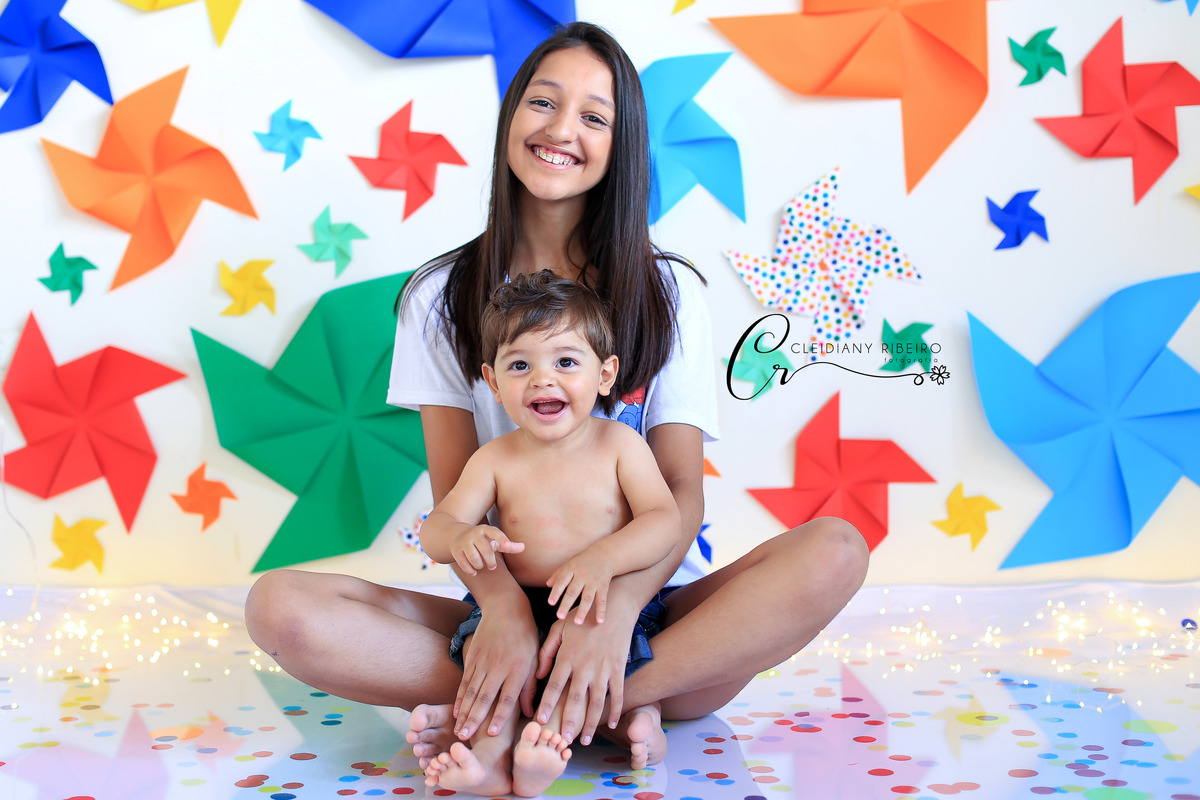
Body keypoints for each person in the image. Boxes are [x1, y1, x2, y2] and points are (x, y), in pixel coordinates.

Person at [244, 18, 868, 781]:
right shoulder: (439, 296)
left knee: (835, 550)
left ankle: (545, 703)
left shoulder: (670, 292)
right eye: (543, 103)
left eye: (594, 116)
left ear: (622, 144)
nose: (561, 129)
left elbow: (680, 498)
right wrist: (504, 615)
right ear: (512, 119)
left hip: (645, 612)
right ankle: (596, 704)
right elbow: (456, 504)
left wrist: (610, 626)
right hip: (505, 599)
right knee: (278, 609)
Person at [418, 270, 682, 795]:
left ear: (604, 374)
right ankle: (490, 762)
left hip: (598, 602)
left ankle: (548, 748)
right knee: (494, 670)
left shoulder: (620, 446)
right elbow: (438, 527)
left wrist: (604, 560)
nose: (542, 379)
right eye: (521, 365)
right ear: (493, 383)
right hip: (517, 604)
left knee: (602, 665)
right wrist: (460, 538)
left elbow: (664, 520)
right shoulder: (494, 459)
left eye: (565, 361)